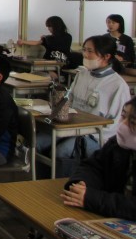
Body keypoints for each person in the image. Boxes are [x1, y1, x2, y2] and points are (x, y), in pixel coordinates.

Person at [36, 35, 131, 168]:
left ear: (106, 56)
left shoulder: (118, 86)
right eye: (84, 50)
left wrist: (87, 134)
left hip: (95, 136)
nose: (85, 54)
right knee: (37, 143)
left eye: (90, 51)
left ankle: (63, 179)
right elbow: (68, 100)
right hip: (71, 127)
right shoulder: (82, 74)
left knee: (61, 152)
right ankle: (39, 178)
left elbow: (116, 125)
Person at [62, 96, 136, 219]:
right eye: (123, 116)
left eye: (133, 123)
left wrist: (91, 198)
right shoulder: (117, 145)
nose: (123, 125)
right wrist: (82, 184)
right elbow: (92, 166)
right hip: (110, 217)